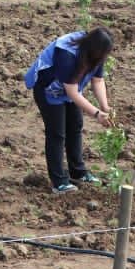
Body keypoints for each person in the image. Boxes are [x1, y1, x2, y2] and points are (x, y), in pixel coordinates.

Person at [24, 28, 113, 194]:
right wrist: (96, 114)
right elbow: (72, 92)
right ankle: (59, 182)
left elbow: (98, 80)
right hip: (48, 89)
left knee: (75, 126)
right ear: (91, 49)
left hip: (69, 89)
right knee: (57, 133)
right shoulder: (67, 54)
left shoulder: (98, 53)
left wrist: (105, 106)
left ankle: (78, 172)